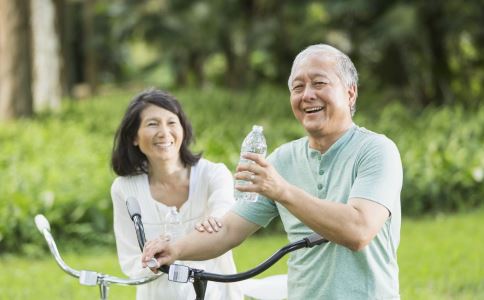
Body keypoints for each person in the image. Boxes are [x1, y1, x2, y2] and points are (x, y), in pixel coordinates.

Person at [142, 44, 403, 299]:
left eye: (319, 83)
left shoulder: (377, 151)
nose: (307, 95)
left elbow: (358, 231)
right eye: (297, 87)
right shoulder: (282, 160)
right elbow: (230, 229)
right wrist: (176, 248)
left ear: (350, 93)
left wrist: (282, 191)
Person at [110, 88, 243, 300]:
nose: (164, 132)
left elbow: (223, 220)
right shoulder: (124, 189)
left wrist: (177, 247)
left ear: (183, 129)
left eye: (172, 122)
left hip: (215, 294)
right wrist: (154, 260)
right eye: (153, 124)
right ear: (134, 137)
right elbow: (131, 260)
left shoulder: (214, 174)